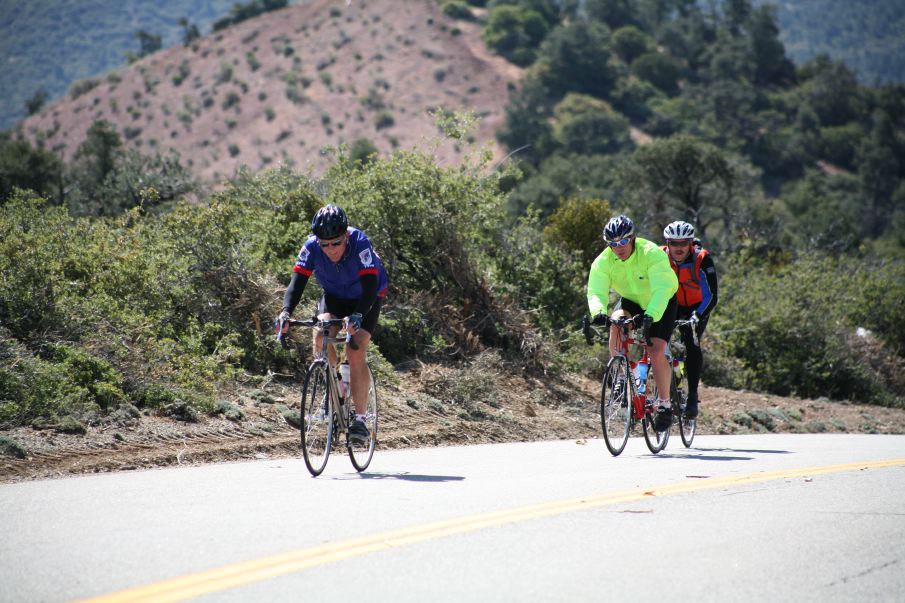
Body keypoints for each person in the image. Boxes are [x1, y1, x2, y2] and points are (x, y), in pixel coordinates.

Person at [276, 204, 388, 444]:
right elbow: (296, 283)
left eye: (336, 243)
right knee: (320, 334)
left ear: (345, 235)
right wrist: (285, 313)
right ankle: (335, 385)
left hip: (366, 297)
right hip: (335, 296)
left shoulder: (360, 242)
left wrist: (358, 314)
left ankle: (360, 420)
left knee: (355, 348)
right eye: (324, 244)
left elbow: (370, 286)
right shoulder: (311, 247)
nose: (330, 249)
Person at [587, 215, 679, 432]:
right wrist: (598, 312)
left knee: (656, 351)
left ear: (633, 238)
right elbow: (595, 290)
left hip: (662, 300)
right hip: (632, 300)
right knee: (617, 322)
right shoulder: (603, 261)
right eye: (613, 243)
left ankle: (664, 404)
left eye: (623, 241)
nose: (618, 247)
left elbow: (662, 288)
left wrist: (651, 314)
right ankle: (620, 375)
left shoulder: (651, 253)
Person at [661, 220, 718, 420]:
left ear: (691, 243)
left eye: (683, 243)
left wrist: (697, 316)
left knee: (691, 343)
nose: (678, 248)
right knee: (658, 340)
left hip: (698, 307)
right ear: (667, 243)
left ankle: (692, 396)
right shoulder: (660, 257)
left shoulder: (702, 259)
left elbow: (712, 295)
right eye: (673, 243)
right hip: (672, 305)